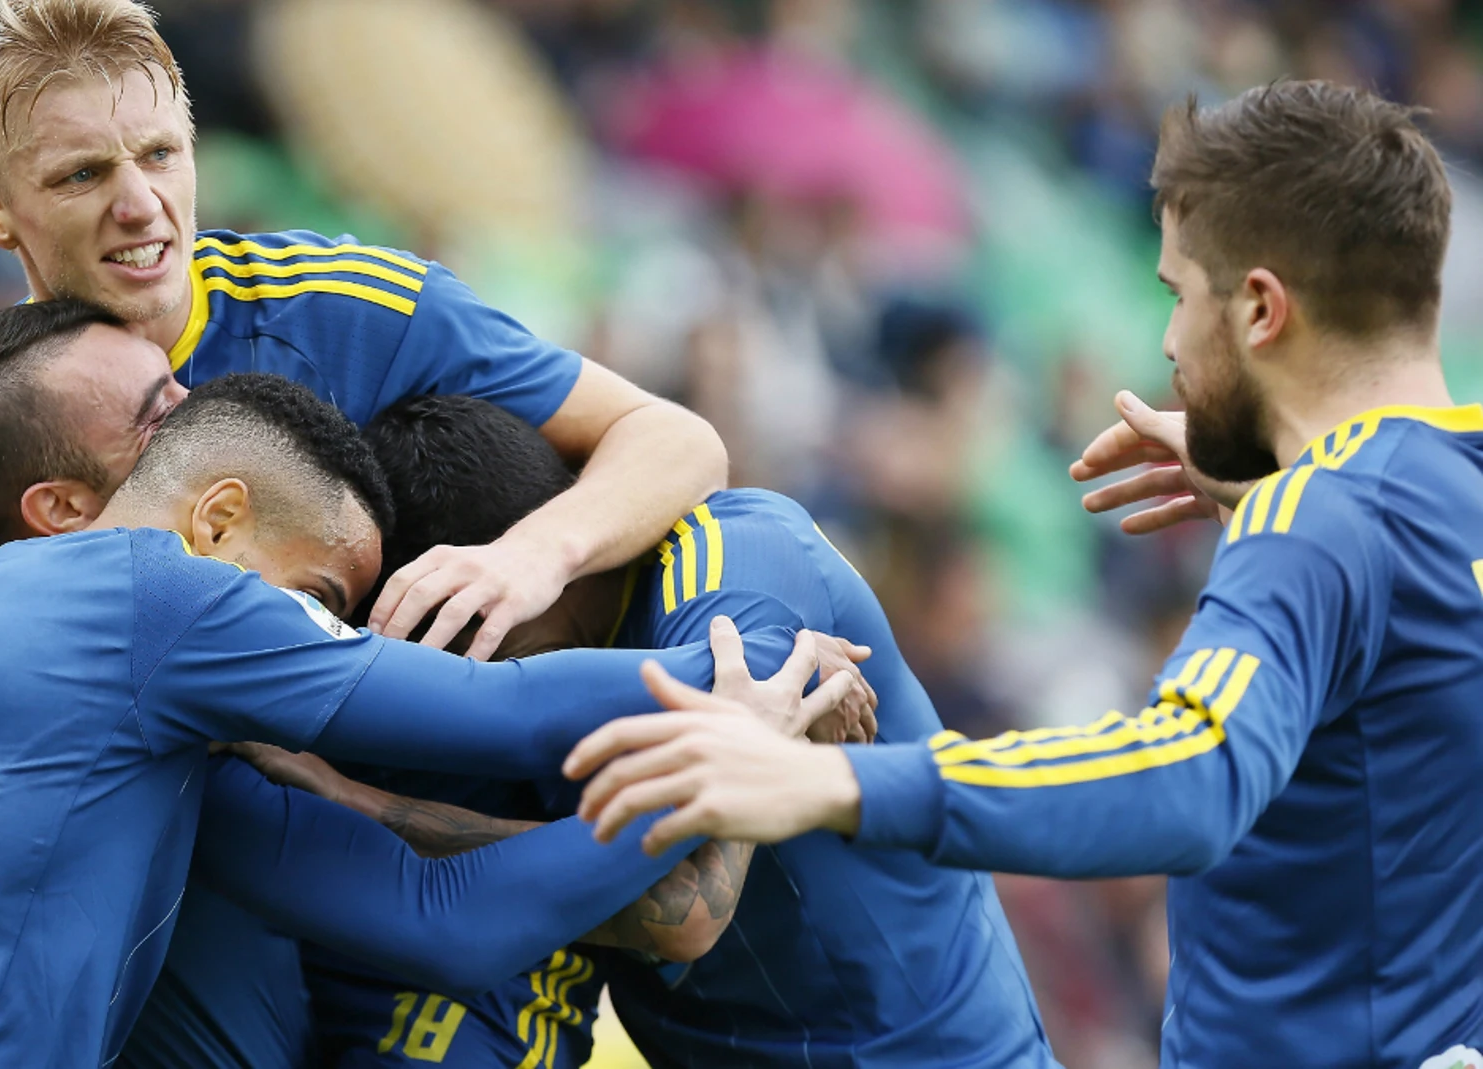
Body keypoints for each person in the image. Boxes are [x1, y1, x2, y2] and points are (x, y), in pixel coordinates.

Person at [565, 81, 1483, 1068]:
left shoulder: (1318, 521)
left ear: (1259, 308)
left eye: (1180, 296)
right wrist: (1280, 474)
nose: (1170, 344)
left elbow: (1189, 774)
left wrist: (826, 779)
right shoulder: (1438, 488)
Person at [0, 301, 851, 1068]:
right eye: (318, 595)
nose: (323, 631)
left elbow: (439, 919)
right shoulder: (147, 594)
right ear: (213, 515)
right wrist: (739, 687)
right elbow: (505, 713)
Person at [0, 0, 724, 665]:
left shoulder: (354, 309)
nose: (141, 206)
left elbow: (675, 438)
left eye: (159, 155)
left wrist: (530, 555)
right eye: (81, 177)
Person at [248, 394, 1055, 1069]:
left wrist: (353, 805)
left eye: (468, 635)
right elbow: (567, 890)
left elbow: (682, 908)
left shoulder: (740, 572)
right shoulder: (502, 708)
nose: (461, 678)